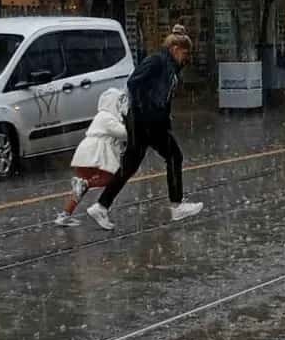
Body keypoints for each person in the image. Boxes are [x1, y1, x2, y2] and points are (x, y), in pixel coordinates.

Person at [87, 33, 203, 230]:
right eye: (185, 53)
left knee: (130, 165)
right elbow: (133, 82)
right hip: (146, 121)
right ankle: (177, 205)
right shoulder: (157, 61)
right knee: (174, 156)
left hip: (147, 121)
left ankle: (101, 206)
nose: (186, 58)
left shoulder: (169, 66)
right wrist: (146, 109)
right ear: (175, 49)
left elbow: (162, 95)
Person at [55, 88, 129, 227]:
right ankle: (87, 184)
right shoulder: (107, 117)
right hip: (96, 153)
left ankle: (64, 215)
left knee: (79, 188)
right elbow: (122, 133)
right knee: (110, 178)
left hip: (85, 153)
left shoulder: (102, 116)